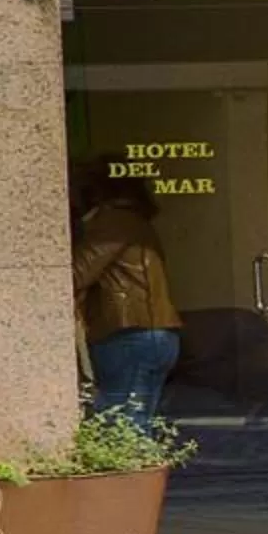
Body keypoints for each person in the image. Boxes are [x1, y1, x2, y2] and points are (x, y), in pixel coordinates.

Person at [72, 172, 181, 423]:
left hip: (128, 332)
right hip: (150, 333)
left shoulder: (114, 222)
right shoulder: (134, 221)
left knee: (122, 426)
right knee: (137, 424)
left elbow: (75, 273)